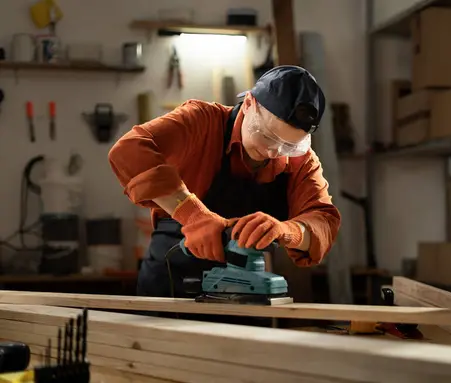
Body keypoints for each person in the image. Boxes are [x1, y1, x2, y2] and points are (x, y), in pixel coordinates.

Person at [108, 65, 341, 301]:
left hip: (244, 295)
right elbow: (128, 149)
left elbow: (323, 223)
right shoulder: (201, 121)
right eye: (268, 136)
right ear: (249, 103)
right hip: (171, 288)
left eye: (289, 146)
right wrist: (193, 216)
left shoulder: (301, 160)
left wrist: (287, 231)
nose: (274, 153)